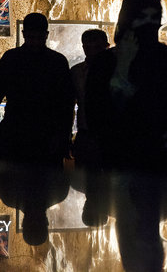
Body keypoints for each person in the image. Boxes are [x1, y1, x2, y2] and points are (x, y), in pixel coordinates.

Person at [85, 0, 167, 272]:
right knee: (147, 231)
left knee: (129, 230)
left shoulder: (104, 63)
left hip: (120, 166)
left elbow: (94, 118)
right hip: (162, 167)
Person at [0, 13, 75, 245]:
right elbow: (65, 107)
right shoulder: (56, 62)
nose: (35, 42)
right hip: (44, 138)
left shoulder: (13, 59)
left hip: (19, 135)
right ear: (25, 35)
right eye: (32, 37)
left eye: (39, 37)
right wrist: (63, 138)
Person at [70, 28, 109, 226]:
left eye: (97, 47)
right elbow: (69, 105)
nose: (91, 52)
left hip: (109, 138)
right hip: (87, 136)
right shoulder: (77, 72)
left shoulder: (117, 71)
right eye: (88, 47)